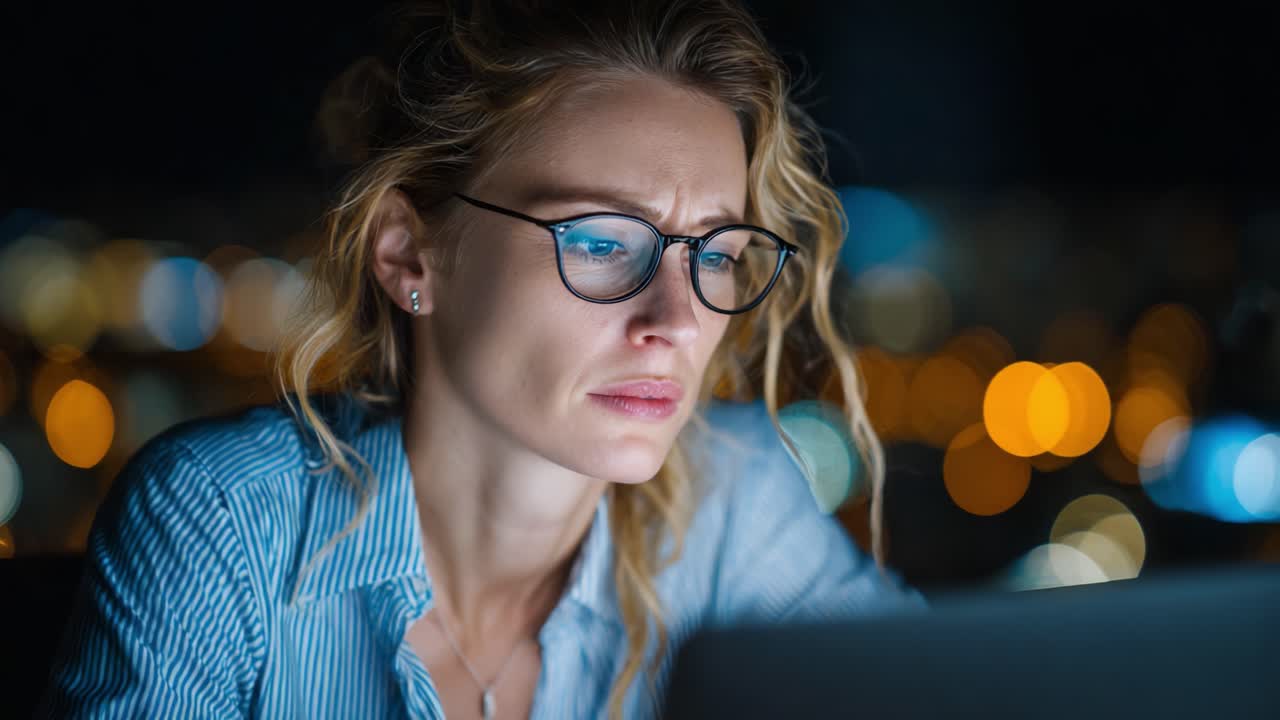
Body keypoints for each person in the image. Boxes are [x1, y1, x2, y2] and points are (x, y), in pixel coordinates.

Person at [39, 0, 923, 717]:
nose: (679, 321)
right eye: (604, 242)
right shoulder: (228, 525)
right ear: (409, 254)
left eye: (717, 253)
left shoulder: (738, 503)